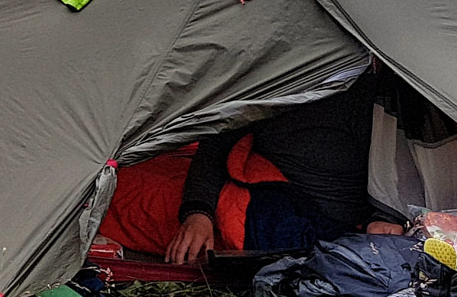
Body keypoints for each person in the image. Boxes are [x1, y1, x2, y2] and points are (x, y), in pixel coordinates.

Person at [165, 76, 405, 265]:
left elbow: (398, 166)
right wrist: (198, 213)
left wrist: (385, 216)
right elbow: (216, 144)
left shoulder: (368, 91)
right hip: (264, 193)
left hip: (340, 224)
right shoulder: (268, 79)